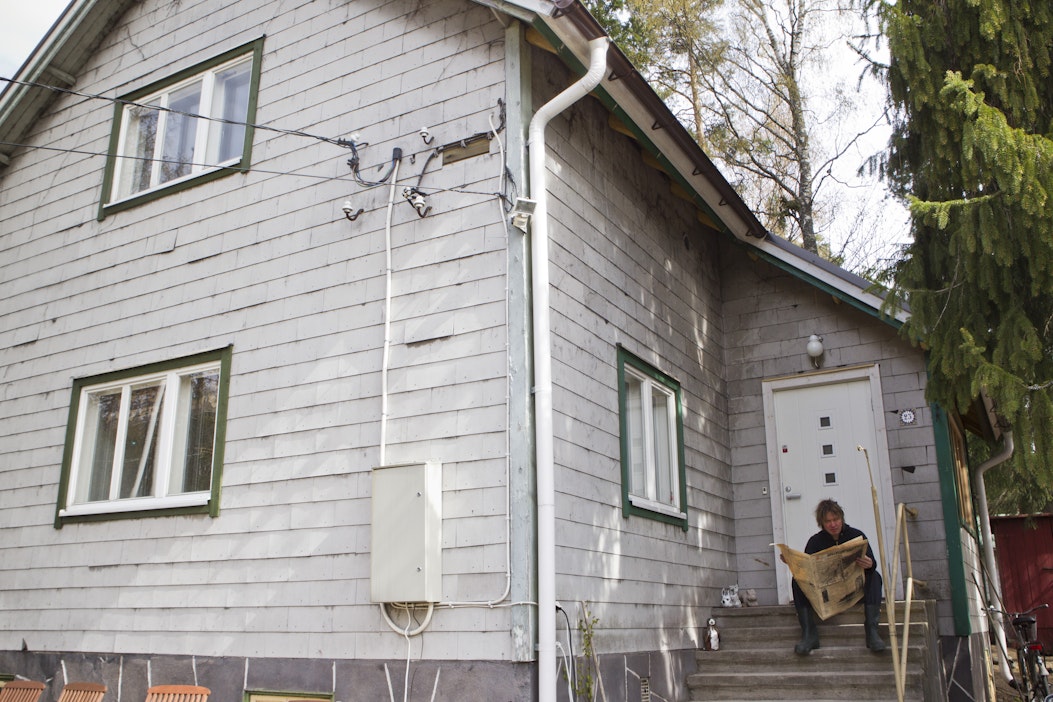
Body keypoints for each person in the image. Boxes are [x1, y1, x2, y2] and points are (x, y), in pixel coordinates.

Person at [790, 499, 886, 654]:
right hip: (827, 596)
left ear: (842, 519)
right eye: (828, 521)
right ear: (822, 523)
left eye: (836, 520)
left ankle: (872, 632)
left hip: (854, 592)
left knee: (875, 576)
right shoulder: (815, 542)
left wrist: (870, 564)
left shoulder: (856, 535)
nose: (833, 524)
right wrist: (793, 563)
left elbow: (871, 565)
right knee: (797, 581)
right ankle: (809, 634)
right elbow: (807, 571)